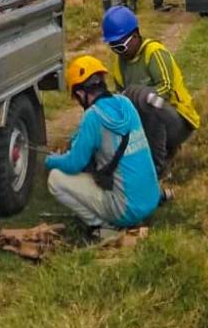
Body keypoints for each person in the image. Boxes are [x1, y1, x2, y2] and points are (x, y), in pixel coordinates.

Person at [45, 56, 162, 234]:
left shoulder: (92, 116)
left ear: (80, 93)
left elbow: (74, 164)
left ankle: (102, 227)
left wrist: (51, 160)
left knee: (55, 178)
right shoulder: (125, 104)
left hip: (127, 210)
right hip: (150, 198)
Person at [102, 6, 200, 175]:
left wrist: (138, 95)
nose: (118, 52)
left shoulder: (154, 53)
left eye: (121, 47)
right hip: (145, 123)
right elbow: (120, 97)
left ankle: (157, 168)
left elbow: (166, 89)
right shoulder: (119, 64)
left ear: (135, 36)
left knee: (148, 100)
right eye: (113, 47)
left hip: (177, 120)